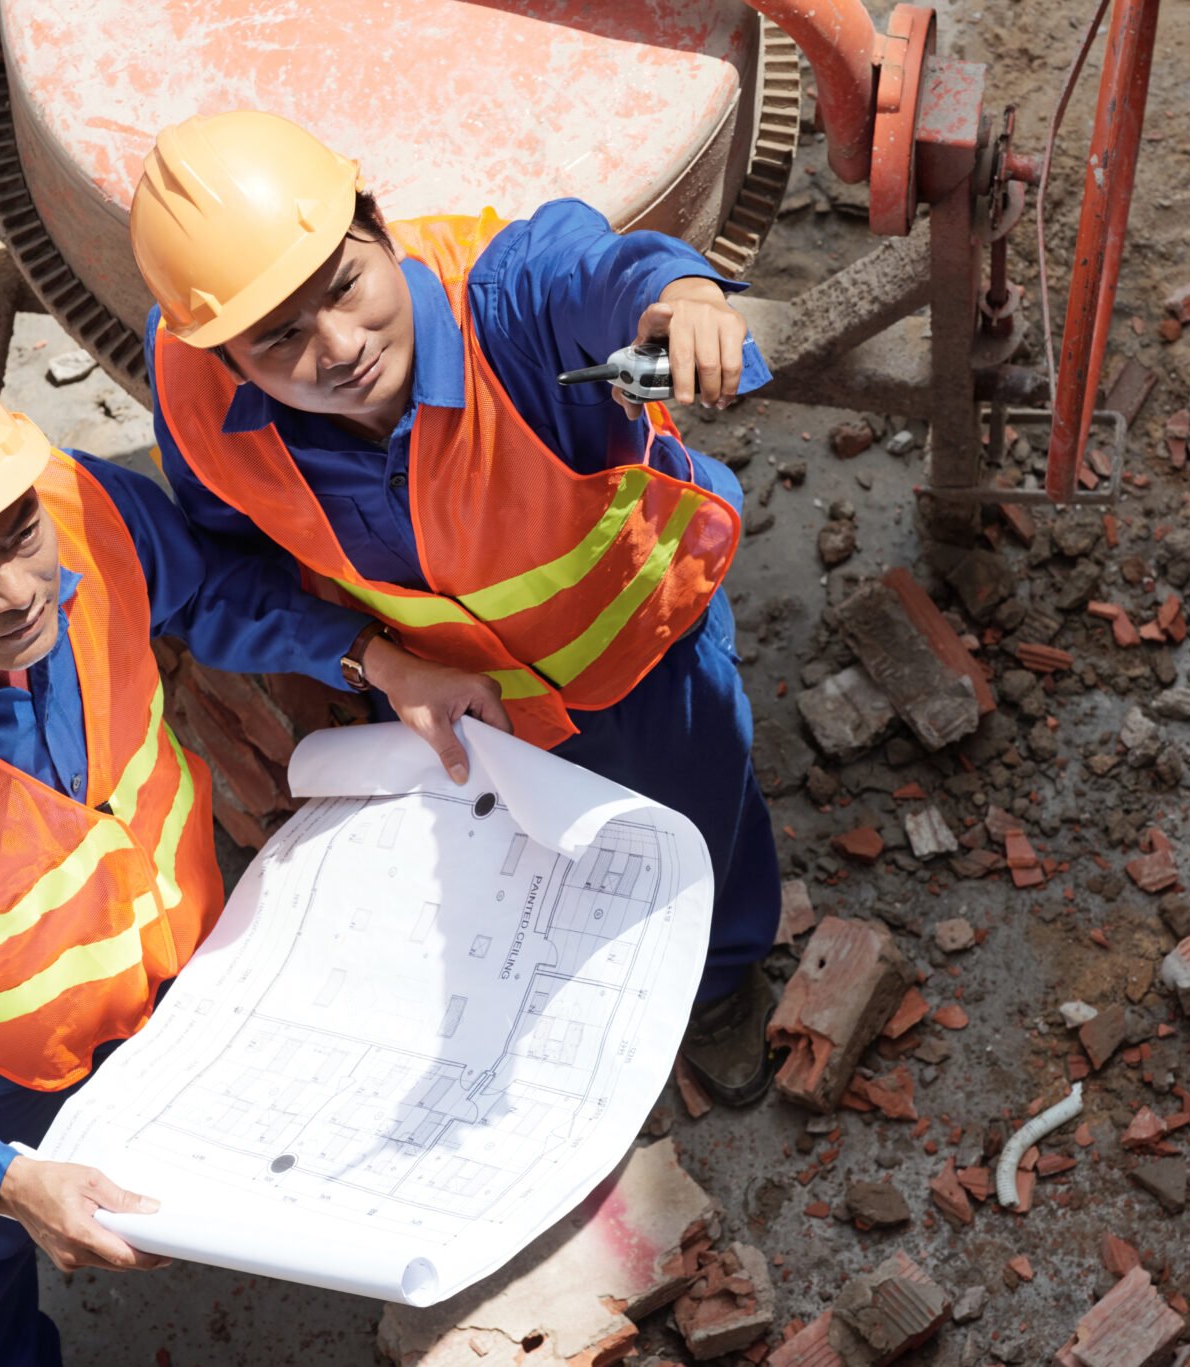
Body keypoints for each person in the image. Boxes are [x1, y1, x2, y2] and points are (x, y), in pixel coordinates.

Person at [0, 350, 499, 1366]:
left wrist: (376, 660)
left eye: (18, 536)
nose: (18, 590)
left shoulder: (77, 507)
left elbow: (213, 587)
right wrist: (2, 1173)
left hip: (182, 959)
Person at [128, 110, 783, 1104]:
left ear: (377, 223)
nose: (339, 346)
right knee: (520, 884)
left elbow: (595, 267)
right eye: (279, 338)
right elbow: (226, 572)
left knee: (696, 825)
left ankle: (718, 979)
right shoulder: (192, 390)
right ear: (220, 354)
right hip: (452, 706)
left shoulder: (502, 306)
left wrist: (683, 296)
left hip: (639, 663)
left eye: (344, 285)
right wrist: (372, 663)